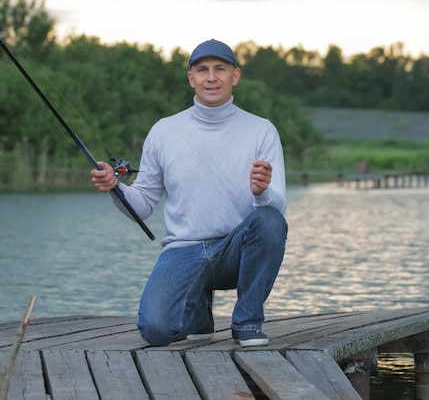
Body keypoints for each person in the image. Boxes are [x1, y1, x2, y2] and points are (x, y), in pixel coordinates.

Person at [91, 39, 288, 347]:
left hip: (235, 250)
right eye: (202, 70)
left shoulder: (261, 130)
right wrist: (116, 188)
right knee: (155, 331)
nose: (211, 77)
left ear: (234, 76)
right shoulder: (163, 131)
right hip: (183, 251)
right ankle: (198, 314)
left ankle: (247, 322)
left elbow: (277, 208)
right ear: (191, 78)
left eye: (220, 69)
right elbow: (142, 204)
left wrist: (262, 192)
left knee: (269, 221)